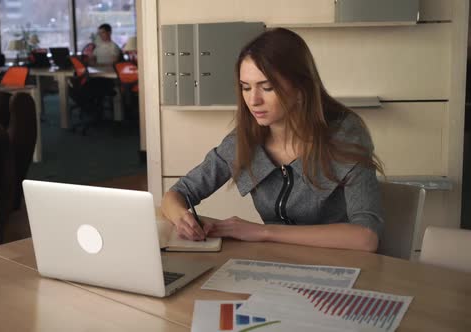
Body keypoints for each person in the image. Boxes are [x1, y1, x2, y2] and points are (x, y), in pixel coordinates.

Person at [161, 28, 384, 252]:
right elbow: (176, 194)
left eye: (267, 87)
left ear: (300, 88)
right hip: (277, 265)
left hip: (343, 267)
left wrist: (262, 232)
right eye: (245, 88)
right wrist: (182, 217)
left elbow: (365, 237)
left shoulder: (345, 135)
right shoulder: (243, 140)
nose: (253, 100)